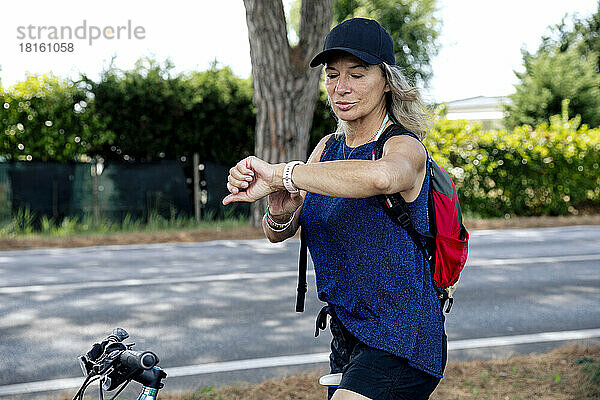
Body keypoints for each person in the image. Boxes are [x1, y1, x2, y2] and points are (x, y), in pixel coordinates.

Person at [223, 17, 446, 400]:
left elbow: (382, 178)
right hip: (349, 336)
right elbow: (278, 232)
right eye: (332, 75)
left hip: (402, 335)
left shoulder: (403, 146)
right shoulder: (327, 148)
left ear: (387, 81)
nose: (340, 87)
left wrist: (285, 173)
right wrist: (281, 211)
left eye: (357, 75)